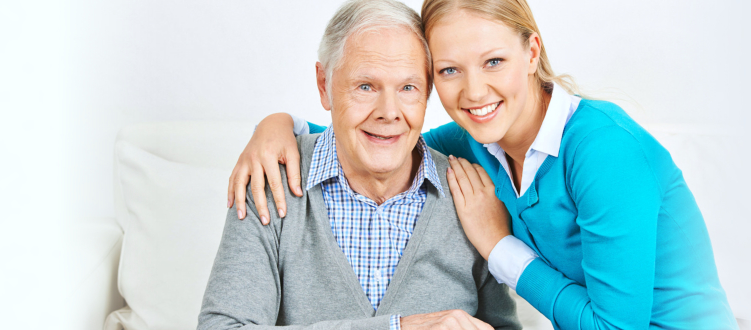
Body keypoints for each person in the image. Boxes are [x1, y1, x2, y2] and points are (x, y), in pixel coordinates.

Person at [226, 0, 738, 329]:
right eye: (449, 70)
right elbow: (380, 134)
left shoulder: (604, 149)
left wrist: (498, 246)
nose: (473, 92)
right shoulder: (474, 141)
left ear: (532, 50)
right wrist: (276, 125)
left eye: (493, 61)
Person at [197, 1, 518, 330]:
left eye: (408, 88)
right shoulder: (271, 180)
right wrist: (398, 328)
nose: (388, 112)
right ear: (324, 85)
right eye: (366, 87)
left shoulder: (470, 196)